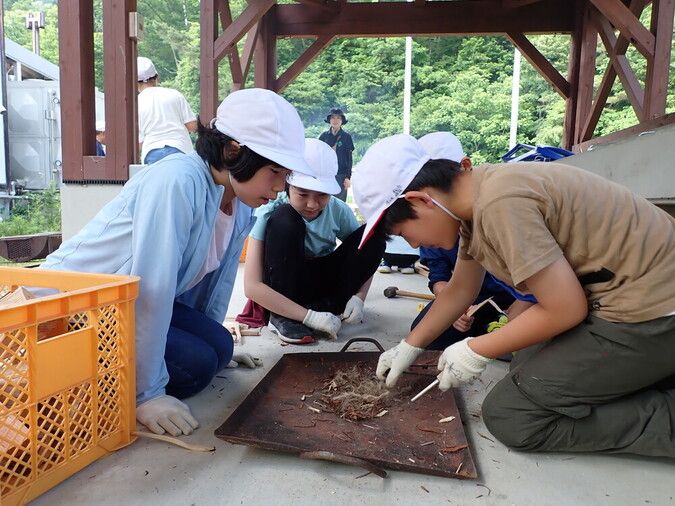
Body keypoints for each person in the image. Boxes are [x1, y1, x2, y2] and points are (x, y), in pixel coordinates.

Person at [353, 134, 675, 458]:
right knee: (524, 360)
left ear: (421, 200)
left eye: (403, 233)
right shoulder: (476, 200)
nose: (410, 245)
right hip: (634, 301)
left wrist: (474, 349)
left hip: (651, 314)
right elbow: (461, 290)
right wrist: (410, 345)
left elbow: (565, 309)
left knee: (511, 416)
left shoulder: (499, 204)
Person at [42, 89, 319, 437]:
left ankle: (144, 366)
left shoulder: (241, 203)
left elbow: (214, 284)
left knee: (218, 347)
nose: (279, 187)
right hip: (76, 307)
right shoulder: (177, 181)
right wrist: (147, 395)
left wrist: (213, 339)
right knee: (197, 367)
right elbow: (150, 288)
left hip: (122, 307)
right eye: (274, 172)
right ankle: (103, 377)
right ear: (234, 152)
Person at [240, 138, 385, 344]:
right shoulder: (270, 211)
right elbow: (252, 286)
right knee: (286, 219)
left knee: (374, 236)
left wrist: (359, 297)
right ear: (288, 185)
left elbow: (363, 251)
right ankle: (284, 316)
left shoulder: (337, 209)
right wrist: (308, 317)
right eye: (302, 193)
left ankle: (326, 307)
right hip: (285, 287)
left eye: (321, 195)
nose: (312, 204)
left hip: (321, 285)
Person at [412, 132, 535, 349]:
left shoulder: (497, 207)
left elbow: (550, 287)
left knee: (521, 343)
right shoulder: (434, 224)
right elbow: (450, 283)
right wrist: (457, 309)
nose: (414, 243)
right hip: (475, 300)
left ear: (465, 166)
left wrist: (520, 309)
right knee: (426, 333)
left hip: (522, 296)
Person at [137, 56, 198, 165]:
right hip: (180, 150)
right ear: (157, 77)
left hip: (152, 154)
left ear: (135, 83)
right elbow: (192, 125)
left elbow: (139, 143)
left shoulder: (136, 103)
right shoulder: (174, 94)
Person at [319, 108, 354, 202]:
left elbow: (349, 159)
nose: (335, 120)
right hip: (326, 175)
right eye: (333, 118)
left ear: (342, 121)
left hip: (341, 176)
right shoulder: (324, 136)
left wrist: (348, 177)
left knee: (340, 203)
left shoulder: (347, 137)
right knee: (325, 202)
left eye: (338, 118)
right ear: (329, 120)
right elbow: (318, 156)